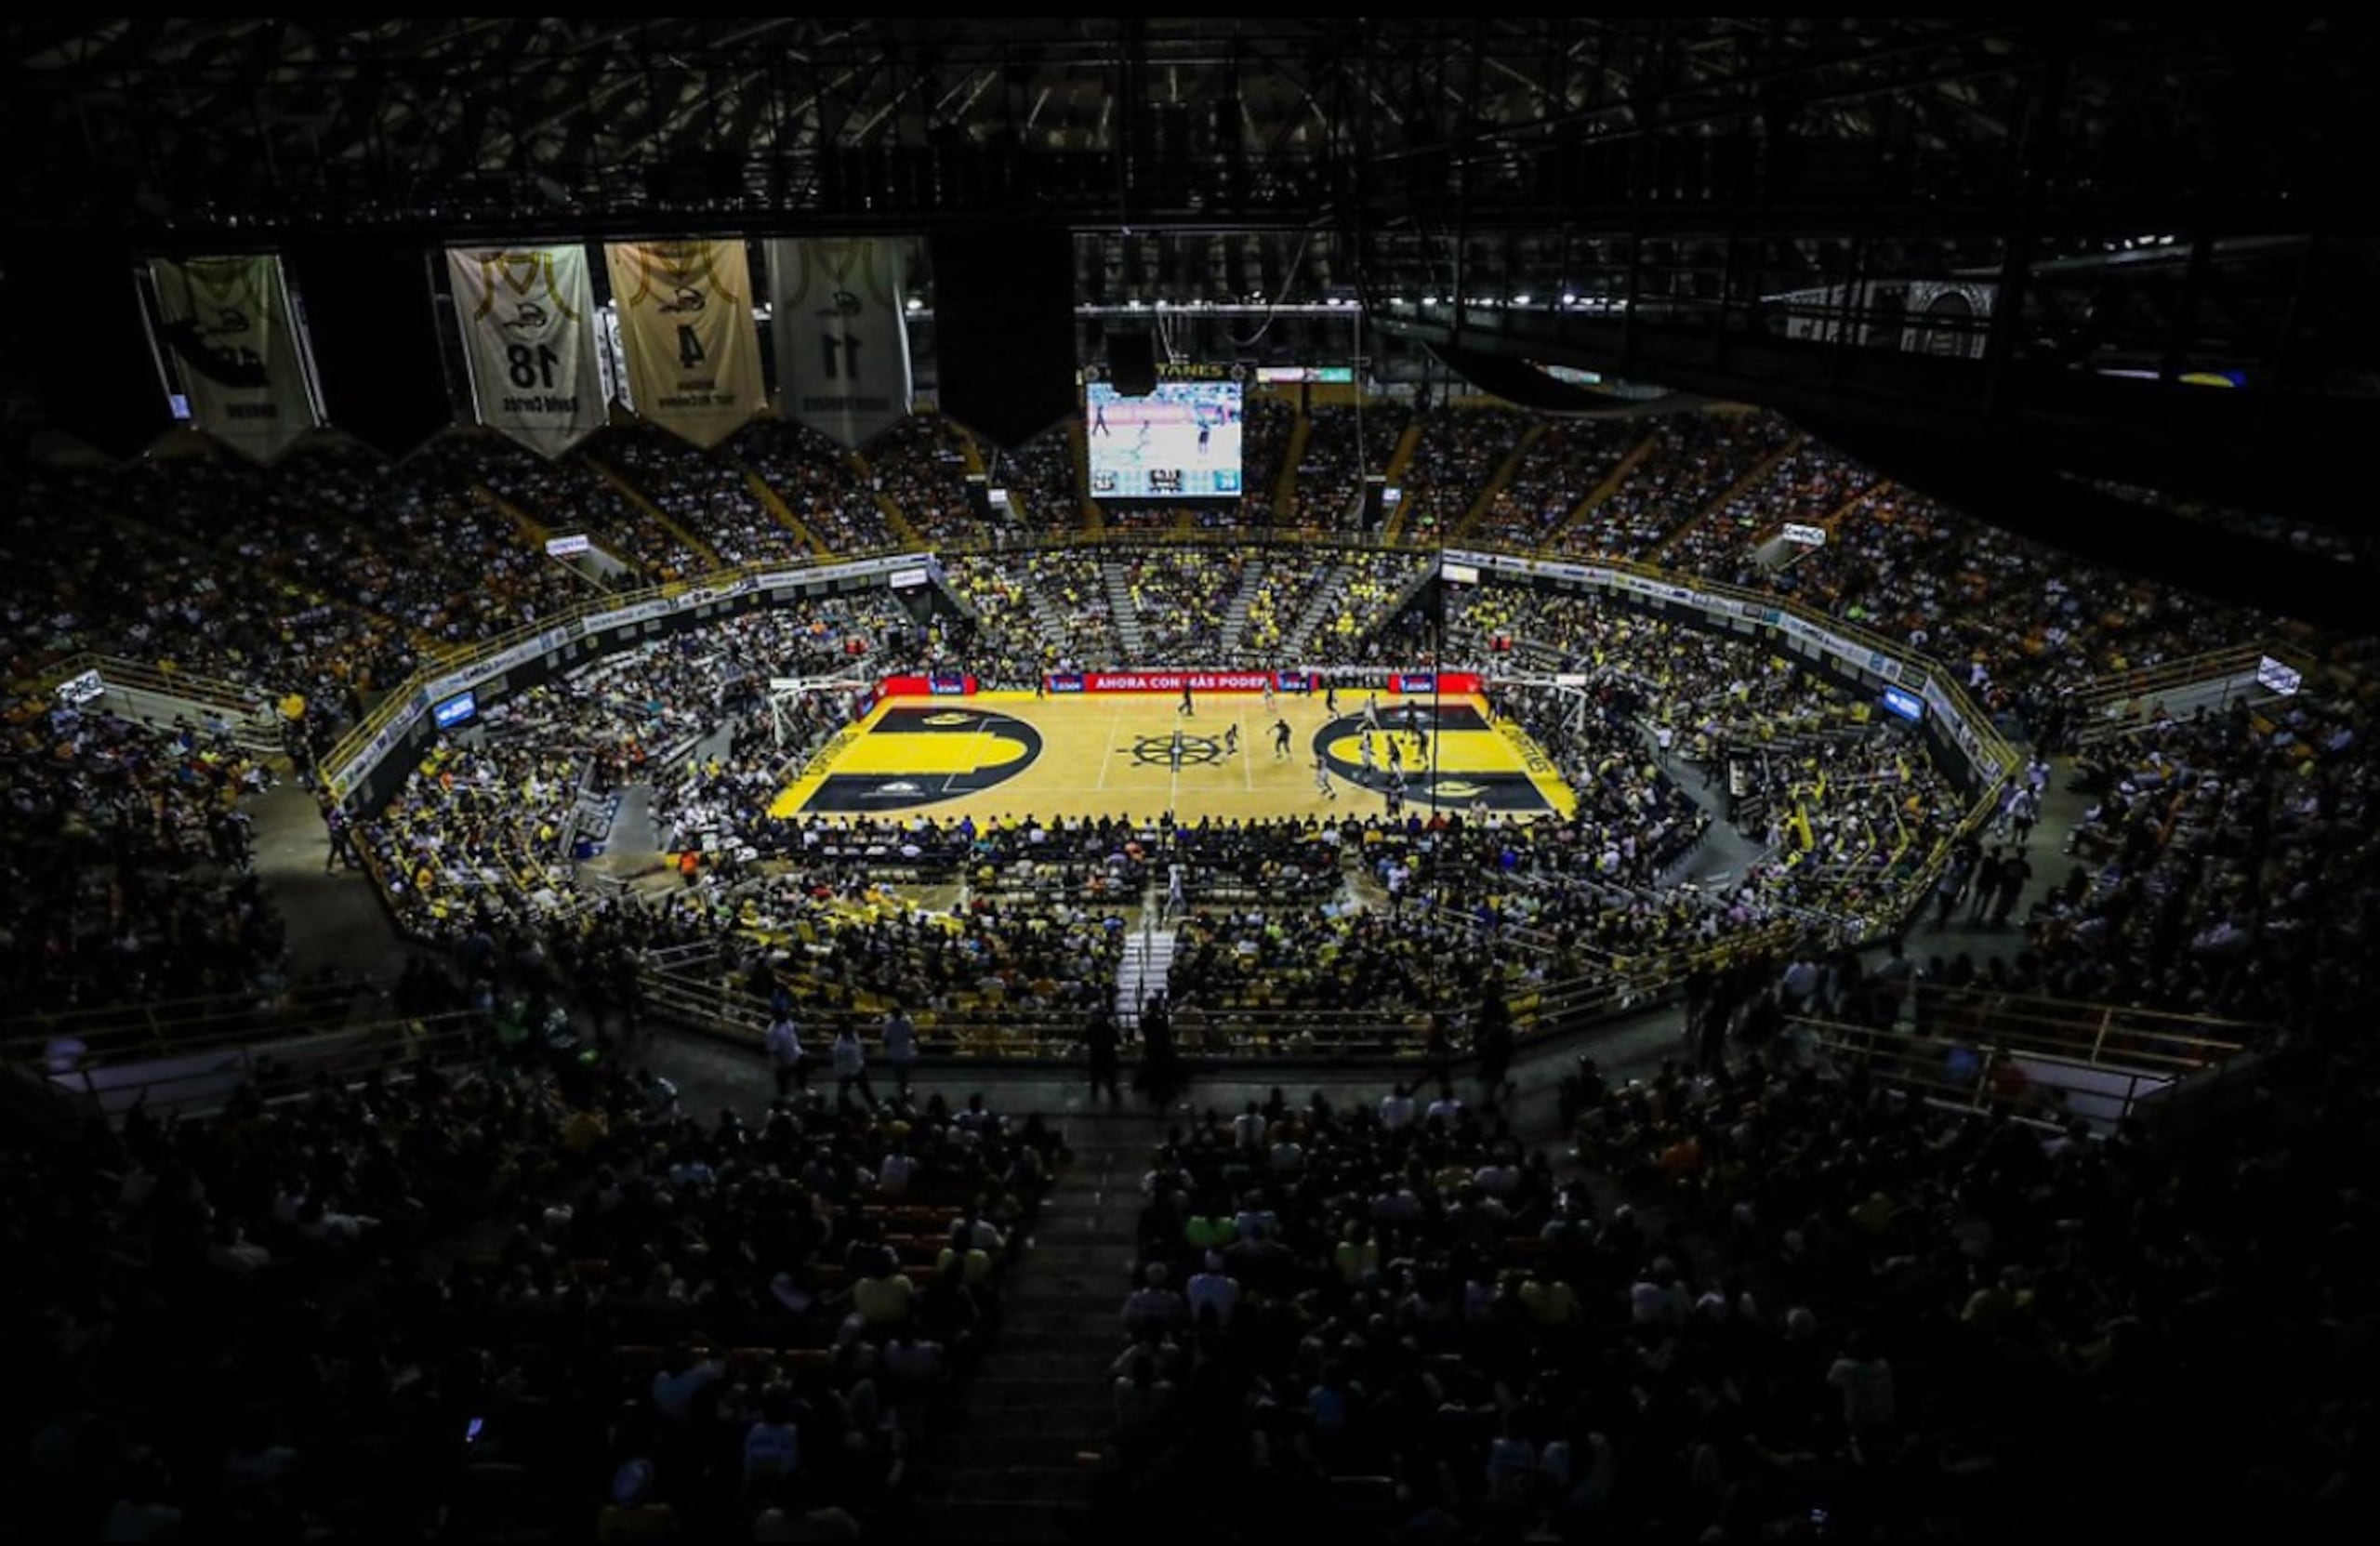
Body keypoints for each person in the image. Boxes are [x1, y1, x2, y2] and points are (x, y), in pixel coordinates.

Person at [830, 1025, 875, 1106]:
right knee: (842, 1093)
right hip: (847, 1072)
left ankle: (875, 1107)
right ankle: (843, 1110)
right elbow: (837, 1061)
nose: (851, 1033)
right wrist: (838, 1073)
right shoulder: (839, 1047)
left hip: (859, 1068)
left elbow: (860, 1048)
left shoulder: (854, 1036)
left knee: (866, 1091)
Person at [1086, 1006, 1123, 1104]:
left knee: (1095, 1081)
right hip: (1108, 1056)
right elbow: (1118, 1041)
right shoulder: (1109, 1028)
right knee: (1110, 1081)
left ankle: (1094, 1101)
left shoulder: (1091, 1028)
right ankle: (1115, 1100)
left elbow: (1083, 1040)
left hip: (1096, 1056)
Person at [764, 1012, 807, 1097]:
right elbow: (773, 1051)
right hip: (783, 1061)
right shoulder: (772, 1032)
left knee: (802, 1070)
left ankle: (801, 1088)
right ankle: (783, 1098)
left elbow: (794, 1029)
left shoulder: (787, 1022)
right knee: (783, 1082)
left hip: (796, 1054)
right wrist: (777, 1064)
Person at [881, 1008, 917, 1096]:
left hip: (894, 1052)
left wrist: (886, 1048)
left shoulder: (888, 1024)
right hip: (906, 1051)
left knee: (898, 1071)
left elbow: (885, 1039)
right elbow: (913, 1034)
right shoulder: (907, 1022)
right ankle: (904, 1087)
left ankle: (902, 1086)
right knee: (905, 1072)